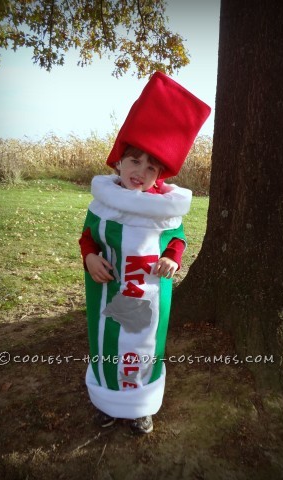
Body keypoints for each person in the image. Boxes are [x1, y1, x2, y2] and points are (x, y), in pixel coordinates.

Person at [78, 71, 211, 434]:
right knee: (106, 339)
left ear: (159, 177)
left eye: (151, 167)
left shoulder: (163, 208)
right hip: (108, 290)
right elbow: (87, 238)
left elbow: (178, 238)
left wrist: (173, 257)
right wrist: (90, 258)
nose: (141, 172)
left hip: (150, 293)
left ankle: (139, 405)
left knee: (146, 340)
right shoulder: (104, 203)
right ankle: (107, 399)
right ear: (119, 162)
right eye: (135, 161)